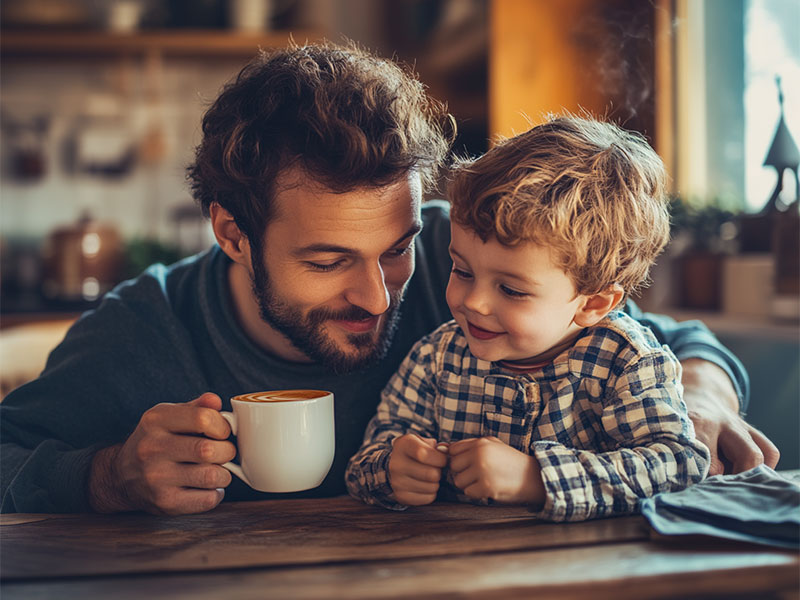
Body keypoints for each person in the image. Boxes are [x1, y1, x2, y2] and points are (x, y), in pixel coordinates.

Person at [0, 42, 778, 516]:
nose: (379, 297)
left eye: (395, 248)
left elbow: (670, 339)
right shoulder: (144, 330)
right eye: (328, 260)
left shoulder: (463, 257)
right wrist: (107, 477)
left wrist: (702, 397)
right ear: (234, 234)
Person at [346, 116, 710, 519]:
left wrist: (535, 479)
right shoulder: (436, 359)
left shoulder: (626, 365)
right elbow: (366, 462)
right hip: (454, 564)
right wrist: (391, 471)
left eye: (512, 290)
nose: (475, 303)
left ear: (593, 304)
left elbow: (679, 465)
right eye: (462, 271)